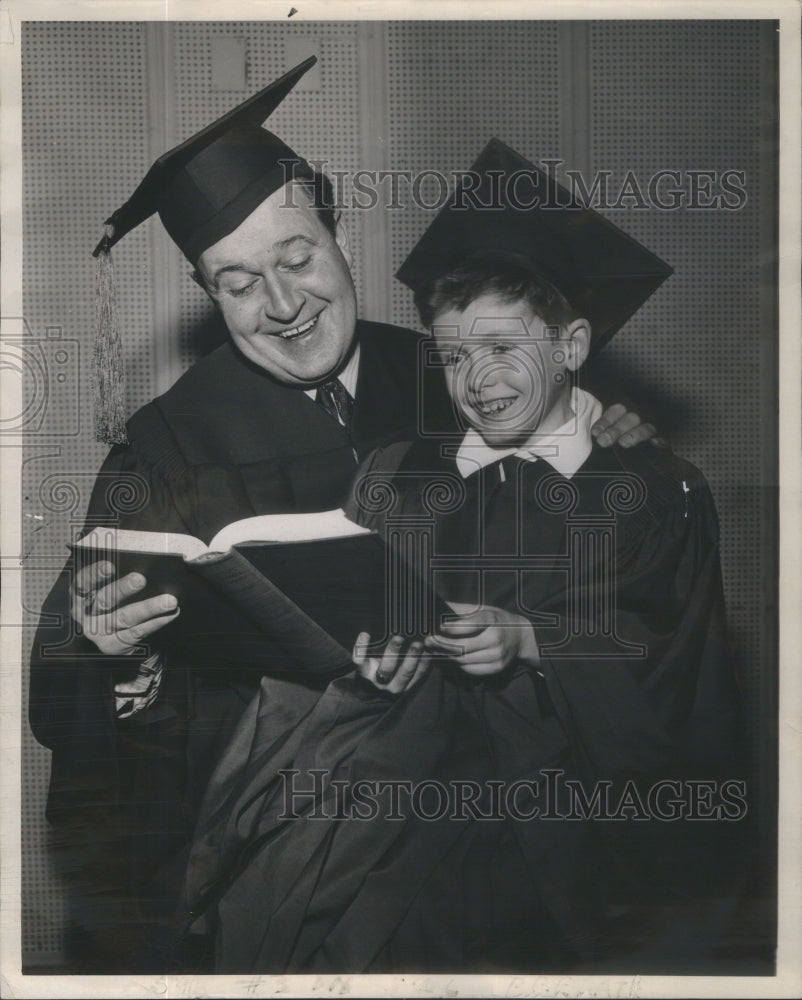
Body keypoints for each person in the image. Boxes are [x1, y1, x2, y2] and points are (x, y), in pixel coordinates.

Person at [28, 65, 657, 972]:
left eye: (296, 258)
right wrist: (120, 659)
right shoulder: (165, 446)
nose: (283, 306)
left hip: (509, 840)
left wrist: (596, 438)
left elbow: (607, 594)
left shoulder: (449, 375)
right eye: (239, 283)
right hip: (307, 867)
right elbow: (75, 701)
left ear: (340, 231)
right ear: (209, 296)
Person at [183, 140, 745, 974]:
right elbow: (356, 617)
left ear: (573, 345)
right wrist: (372, 656)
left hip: (558, 838)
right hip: (390, 820)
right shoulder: (400, 473)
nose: (477, 381)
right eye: (452, 356)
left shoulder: (653, 491)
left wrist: (532, 641)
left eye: (503, 349)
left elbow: (677, 664)